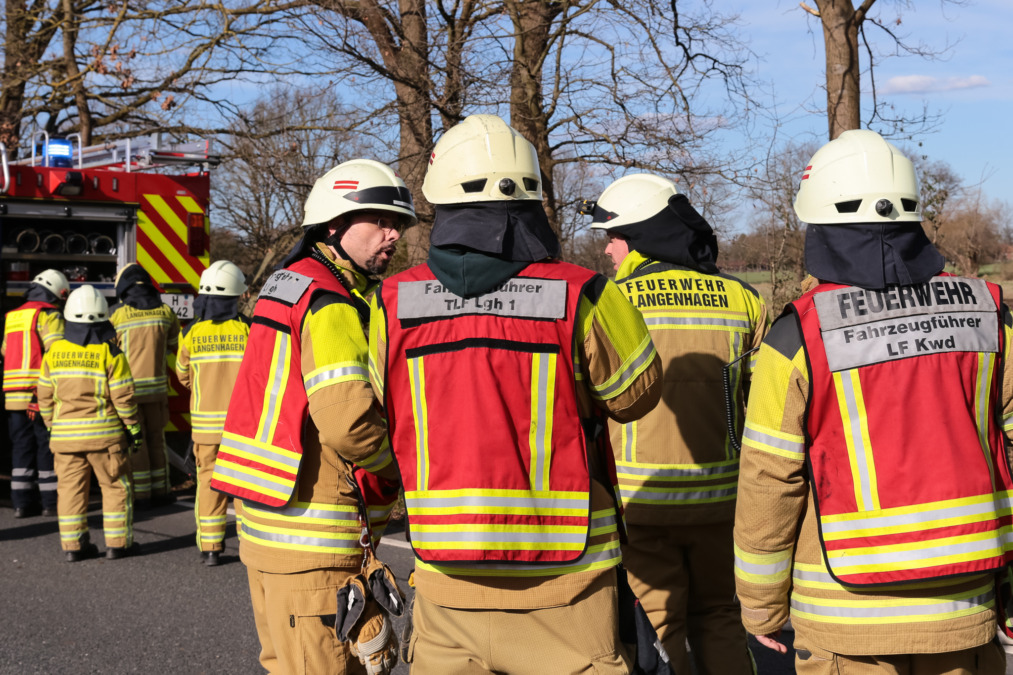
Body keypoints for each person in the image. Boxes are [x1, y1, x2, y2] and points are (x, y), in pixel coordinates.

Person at [367, 114, 663, 674]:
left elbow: (375, 412)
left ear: (442, 205)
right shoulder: (585, 292)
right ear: (530, 199)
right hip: (566, 581)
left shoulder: (391, 301)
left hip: (445, 577)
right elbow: (636, 396)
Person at [734, 129, 1012, 674]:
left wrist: (760, 604)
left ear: (819, 224)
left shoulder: (798, 336)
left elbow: (769, 479)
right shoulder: (989, 314)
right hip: (966, 603)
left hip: (843, 618)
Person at [210, 159, 410, 674]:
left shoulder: (289, 282)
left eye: (400, 224)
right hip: (316, 539)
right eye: (381, 221)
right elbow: (348, 421)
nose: (394, 234)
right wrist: (403, 468)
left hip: (269, 527)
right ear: (334, 223)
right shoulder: (332, 301)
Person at [585, 173, 767, 674]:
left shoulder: (608, 300)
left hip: (640, 502)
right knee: (722, 617)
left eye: (612, 237)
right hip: (725, 500)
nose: (607, 251)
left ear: (640, 235)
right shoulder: (743, 298)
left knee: (658, 631)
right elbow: (762, 403)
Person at [37, 285, 142, 561]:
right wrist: (133, 428)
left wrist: (52, 426)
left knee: (70, 492)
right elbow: (124, 398)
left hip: (64, 440)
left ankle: (73, 548)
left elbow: (44, 397)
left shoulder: (53, 353)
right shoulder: (111, 353)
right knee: (115, 488)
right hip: (105, 440)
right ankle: (118, 544)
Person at [175, 260, 250, 566]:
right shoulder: (247, 328)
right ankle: (249, 545)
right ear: (235, 297)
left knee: (208, 483)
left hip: (205, 429)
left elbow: (182, 375)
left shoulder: (191, 332)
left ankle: (210, 549)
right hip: (242, 427)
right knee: (244, 485)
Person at [110, 263, 180, 508]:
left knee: (135, 442)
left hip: (129, 392)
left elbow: (109, 352)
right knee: (157, 439)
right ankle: (161, 490)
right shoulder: (165, 312)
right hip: (158, 390)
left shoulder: (116, 314)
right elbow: (175, 344)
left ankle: (141, 495)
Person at [2, 269, 68, 518]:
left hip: (13, 397)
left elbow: (5, 351)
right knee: (45, 446)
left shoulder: (12, 316)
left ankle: (21, 504)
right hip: (38, 394)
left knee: (21, 447)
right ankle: (50, 503)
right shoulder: (48, 315)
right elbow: (57, 354)